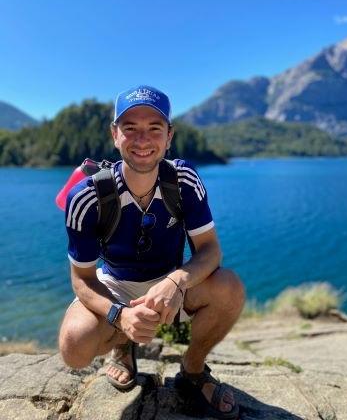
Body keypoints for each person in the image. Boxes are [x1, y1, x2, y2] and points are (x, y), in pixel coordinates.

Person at [59, 85, 245, 419]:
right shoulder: (86, 197)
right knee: (74, 346)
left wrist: (176, 282)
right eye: (130, 128)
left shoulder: (184, 179)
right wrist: (119, 314)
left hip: (172, 281)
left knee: (230, 289)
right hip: (114, 285)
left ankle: (192, 370)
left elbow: (210, 250)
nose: (142, 139)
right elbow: (82, 279)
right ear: (115, 135)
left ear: (169, 136)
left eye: (154, 128)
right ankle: (122, 345)